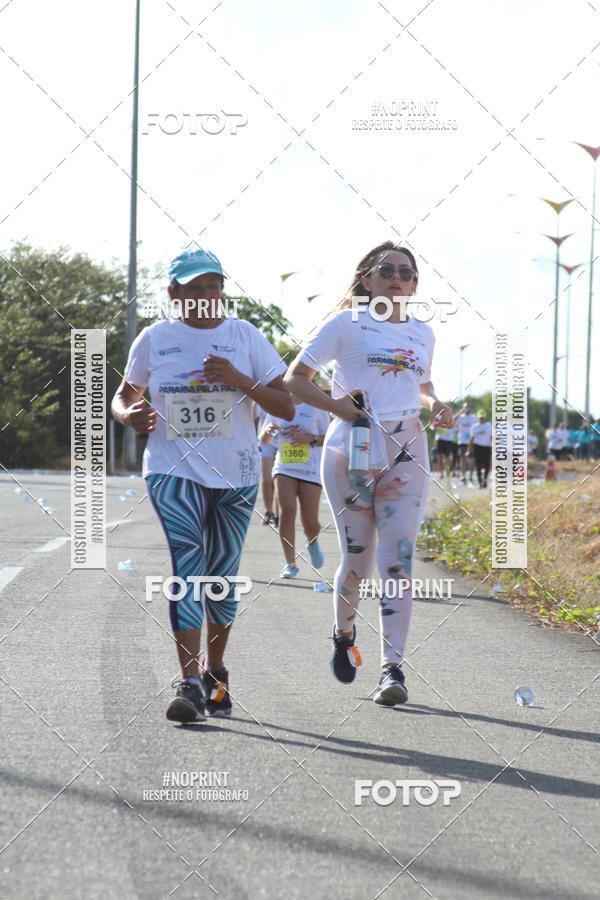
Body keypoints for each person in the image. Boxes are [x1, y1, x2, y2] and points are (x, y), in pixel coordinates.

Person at [111, 248, 294, 724]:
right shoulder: (154, 339)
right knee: (188, 566)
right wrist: (127, 414)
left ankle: (216, 672)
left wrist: (238, 379)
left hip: (236, 472)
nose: (206, 296)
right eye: (194, 289)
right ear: (174, 294)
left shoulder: (245, 336)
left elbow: (286, 406)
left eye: (213, 286)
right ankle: (189, 683)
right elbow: (124, 397)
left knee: (222, 577)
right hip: (172, 469)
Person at [284, 240, 454, 706]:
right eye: (387, 270)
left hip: (406, 449)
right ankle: (343, 633)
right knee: (358, 564)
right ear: (368, 280)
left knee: (397, 561)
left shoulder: (423, 333)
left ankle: (391, 670)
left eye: (407, 272)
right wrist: (337, 407)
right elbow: (295, 380)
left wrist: (434, 403)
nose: (397, 277)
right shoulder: (345, 324)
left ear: (415, 284)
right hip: (351, 450)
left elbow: (420, 384)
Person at [259, 402, 330, 578]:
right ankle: (290, 563)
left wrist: (310, 438)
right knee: (287, 511)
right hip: (284, 467)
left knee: (310, 523)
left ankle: (312, 542)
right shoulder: (277, 403)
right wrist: (268, 432)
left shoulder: (316, 405)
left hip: (311, 470)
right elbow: (264, 440)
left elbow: (330, 438)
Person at [256, 404, 280, 526]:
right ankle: (269, 511)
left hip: (283, 441)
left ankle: (278, 514)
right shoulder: (261, 395)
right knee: (267, 479)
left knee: (279, 479)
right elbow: (252, 417)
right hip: (266, 442)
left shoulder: (285, 395)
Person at [468, 409, 492, 488]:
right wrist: (468, 450)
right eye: (480, 418)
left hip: (487, 447)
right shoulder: (474, 427)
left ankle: (485, 479)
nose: (481, 419)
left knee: (487, 465)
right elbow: (471, 439)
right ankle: (479, 482)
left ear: (485, 417)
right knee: (478, 465)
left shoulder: (489, 425)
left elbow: (492, 437)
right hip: (477, 447)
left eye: (482, 417)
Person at [456, 403, 478, 483]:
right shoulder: (460, 417)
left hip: (471, 442)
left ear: (470, 408)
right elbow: (453, 420)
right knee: (463, 459)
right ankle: (463, 476)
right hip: (462, 441)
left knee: (472, 459)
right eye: (465, 407)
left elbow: (478, 427)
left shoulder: (474, 417)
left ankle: (471, 476)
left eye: (467, 407)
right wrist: (460, 412)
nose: (466, 409)